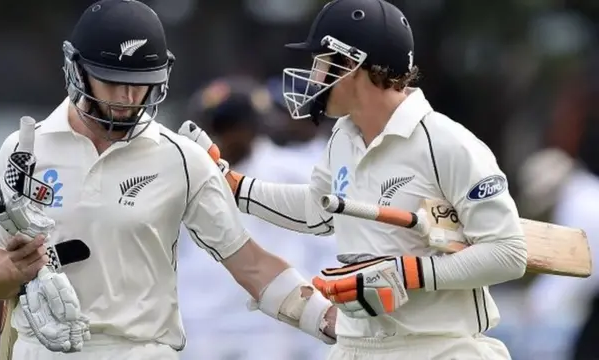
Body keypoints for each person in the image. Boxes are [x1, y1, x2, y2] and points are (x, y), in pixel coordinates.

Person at [0, 1, 336, 359]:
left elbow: (251, 264)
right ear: (78, 70)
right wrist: (10, 271)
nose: (129, 98)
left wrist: (327, 318)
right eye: (113, 82)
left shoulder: (181, 157)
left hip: (141, 350)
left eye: (141, 83)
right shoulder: (23, 149)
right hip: (43, 351)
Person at [180, 0, 527, 358]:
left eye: (320, 62)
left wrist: (410, 272)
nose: (313, 76)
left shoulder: (446, 143)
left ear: (351, 64)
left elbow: (508, 253)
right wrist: (234, 186)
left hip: (439, 348)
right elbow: (318, 210)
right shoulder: (344, 137)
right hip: (357, 347)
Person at [179, 77, 335, 360]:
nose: (218, 137)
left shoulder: (293, 174)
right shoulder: (185, 176)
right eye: (212, 126)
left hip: (267, 324)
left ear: (250, 127)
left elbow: (325, 247)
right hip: (201, 322)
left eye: (227, 126)